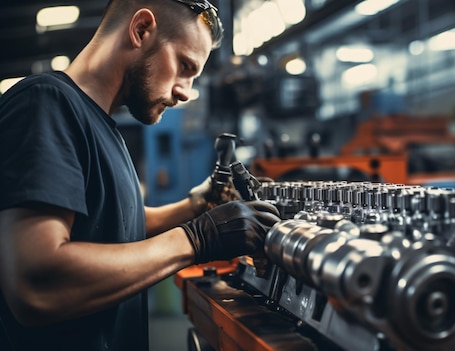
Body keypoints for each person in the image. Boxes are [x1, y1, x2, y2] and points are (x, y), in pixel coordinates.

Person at [0, 1, 281, 350]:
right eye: (184, 65)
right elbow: (36, 285)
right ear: (141, 30)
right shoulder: (45, 104)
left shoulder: (104, 127)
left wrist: (196, 205)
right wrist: (197, 238)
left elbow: (113, 226)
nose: (184, 91)